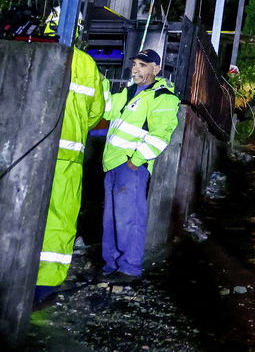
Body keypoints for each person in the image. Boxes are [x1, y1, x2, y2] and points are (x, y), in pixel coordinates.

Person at [34, 47, 108, 302]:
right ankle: (45, 283)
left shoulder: (36, 50)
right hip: (69, 156)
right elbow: (96, 112)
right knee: (60, 219)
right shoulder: (88, 65)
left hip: (32, 151)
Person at [101, 48, 180, 281]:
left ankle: (129, 268)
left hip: (130, 167)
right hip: (113, 164)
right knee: (112, 220)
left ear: (156, 69)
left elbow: (160, 136)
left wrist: (135, 162)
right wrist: (103, 84)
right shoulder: (128, 93)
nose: (136, 68)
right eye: (134, 64)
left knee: (129, 219)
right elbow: (106, 110)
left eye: (142, 65)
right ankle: (111, 265)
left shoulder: (162, 97)